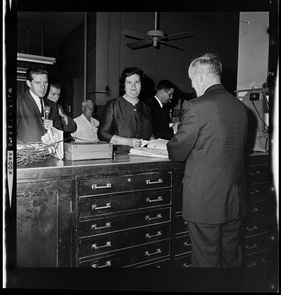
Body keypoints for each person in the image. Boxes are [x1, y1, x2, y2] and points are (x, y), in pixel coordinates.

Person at [167, 53, 249, 267]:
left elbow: (177, 152)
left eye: (192, 81)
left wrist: (177, 132)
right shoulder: (241, 107)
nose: (193, 86)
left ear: (201, 77)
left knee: (206, 264)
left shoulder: (196, 107)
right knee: (232, 261)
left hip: (205, 203)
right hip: (234, 201)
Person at [97, 67, 153, 147]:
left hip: (144, 154)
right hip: (120, 155)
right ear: (124, 85)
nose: (133, 86)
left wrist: (154, 143)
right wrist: (127, 141)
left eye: (137, 82)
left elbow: (151, 134)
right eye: (129, 82)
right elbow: (102, 134)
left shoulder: (147, 108)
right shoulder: (113, 105)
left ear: (141, 85)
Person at [17, 66, 71, 144]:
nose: (43, 87)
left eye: (45, 82)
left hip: (48, 154)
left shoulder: (52, 106)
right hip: (25, 154)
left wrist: (52, 129)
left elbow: (60, 135)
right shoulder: (18, 102)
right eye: (38, 83)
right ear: (29, 83)